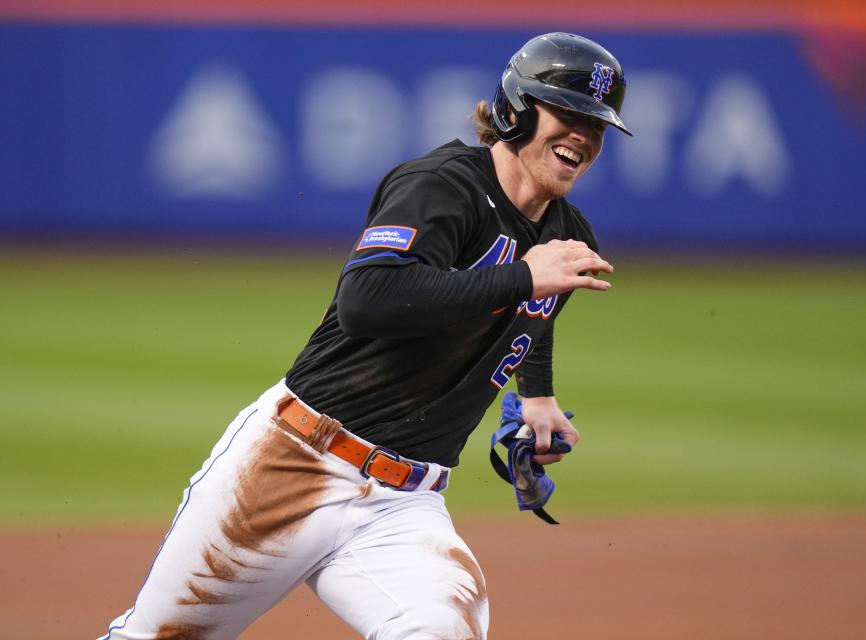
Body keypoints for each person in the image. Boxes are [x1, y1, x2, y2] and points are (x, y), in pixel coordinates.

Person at [101, 31, 631, 640]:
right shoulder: (443, 186)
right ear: (515, 108)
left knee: (440, 630)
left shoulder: (565, 232)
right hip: (293, 463)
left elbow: (534, 311)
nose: (583, 137)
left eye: (597, 124)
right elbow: (367, 299)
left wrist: (536, 396)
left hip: (403, 505)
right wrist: (521, 277)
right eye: (566, 112)